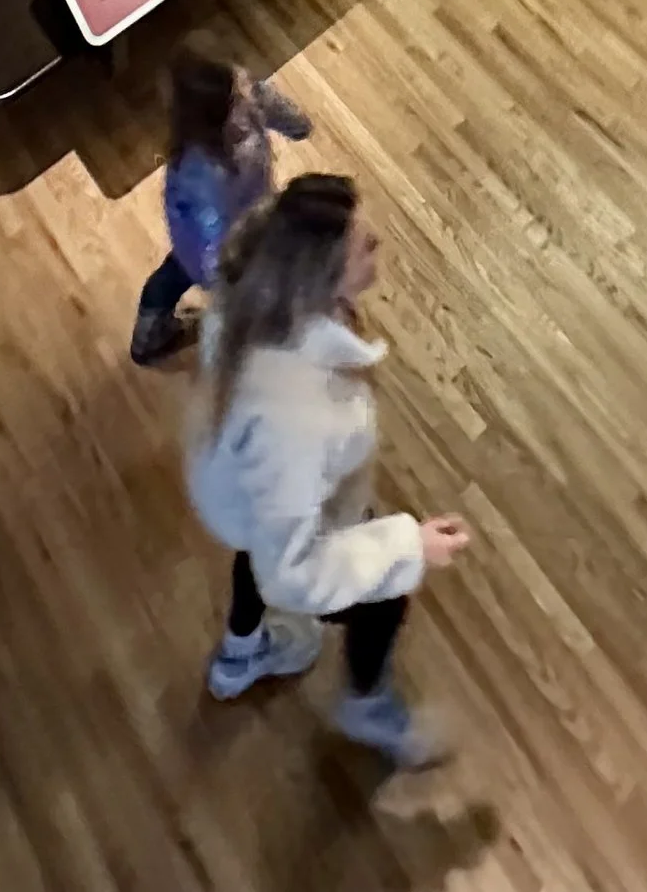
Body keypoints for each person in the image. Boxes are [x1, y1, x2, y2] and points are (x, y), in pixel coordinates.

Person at [184, 173, 469, 768]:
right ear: (321, 276)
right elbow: (292, 571)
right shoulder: (296, 413)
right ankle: (365, 704)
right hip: (287, 497)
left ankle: (241, 654)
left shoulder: (253, 299)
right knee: (384, 596)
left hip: (237, 491)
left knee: (253, 553)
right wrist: (405, 546)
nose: (379, 245)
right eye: (364, 245)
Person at [132, 47, 312, 365]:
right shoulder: (202, 175)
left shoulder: (245, 99)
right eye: (239, 96)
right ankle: (149, 338)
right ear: (216, 116)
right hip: (205, 243)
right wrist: (225, 284)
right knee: (176, 275)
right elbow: (212, 245)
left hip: (253, 216)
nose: (249, 92)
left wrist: (297, 125)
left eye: (241, 81)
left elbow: (270, 103)